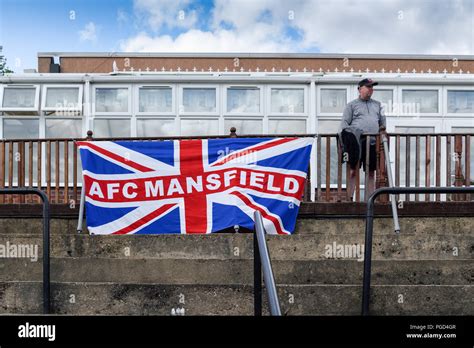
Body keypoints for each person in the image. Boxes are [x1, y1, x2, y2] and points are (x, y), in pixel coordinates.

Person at [339, 78, 386, 200]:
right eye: (368, 86)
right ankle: (349, 198)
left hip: (373, 143)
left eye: (372, 87)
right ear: (360, 89)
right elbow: (344, 125)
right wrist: (346, 142)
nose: (371, 89)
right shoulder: (351, 105)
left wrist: (382, 137)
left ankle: (369, 199)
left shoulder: (378, 105)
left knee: (371, 172)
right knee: (353, 170)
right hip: (356, 142)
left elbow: (382, 125)